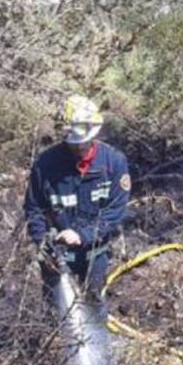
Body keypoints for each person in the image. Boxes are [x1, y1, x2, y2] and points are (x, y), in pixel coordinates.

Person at [24, 96, 130, 305]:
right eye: (73, 144)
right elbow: (33, 208)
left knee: (94, 304)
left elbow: (116, 210)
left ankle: (97, 335)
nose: (79, 147)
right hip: (58, 254)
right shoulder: (45, 165)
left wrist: (83, 234)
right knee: (56, 310)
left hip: (96, 252)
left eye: (83, 142)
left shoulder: (114, 162)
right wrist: (43, 240)